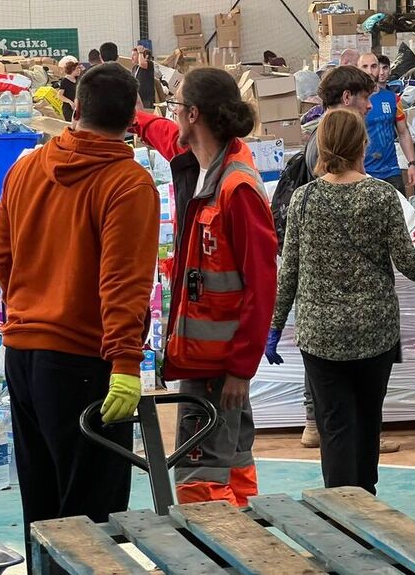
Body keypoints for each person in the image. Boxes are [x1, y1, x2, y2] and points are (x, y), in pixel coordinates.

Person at [0, 64, 159, 557]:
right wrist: (127, 364)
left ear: (76, 109)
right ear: (133, 119)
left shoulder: (27, 167)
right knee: (92, 520)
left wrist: (29, 305)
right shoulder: (128, 184)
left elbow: (2, 254)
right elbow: (124, 283)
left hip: (23, 357)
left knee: (43, 508)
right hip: (86, 363)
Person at [267, 109, 415, 494]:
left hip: (321, 335)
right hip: (376, 332)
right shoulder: (382, 195)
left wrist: (275, 326)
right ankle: (367, 500)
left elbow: (290, 271)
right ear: (362, 144)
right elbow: (406, 262)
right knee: (368, 421)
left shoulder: (304, 199)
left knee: (334, 425)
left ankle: (338, 507)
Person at [133, 67, 277, 506]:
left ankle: (210, 556)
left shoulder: (237, 188)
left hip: (219, 366)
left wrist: (240, 368)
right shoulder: (196, 164)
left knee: (200, 475)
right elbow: (160, 132)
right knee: (232, 459)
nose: (171, 116)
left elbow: (262, 285)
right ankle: (246, 538)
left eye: (176, 106)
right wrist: (132, 116)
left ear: (193, 114)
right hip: (207, 360)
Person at [269, 65, 399, 454]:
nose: (371, 105)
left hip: (324, 312)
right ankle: (317, 423)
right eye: (366, 97)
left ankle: (337, 434)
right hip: (344, 307)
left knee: (340, 406)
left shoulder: (321, 165)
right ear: (347, 99)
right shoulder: (332, 161)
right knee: (341, 409)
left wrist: (276, 323)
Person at [359, 52, 415, 195]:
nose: (369, 71)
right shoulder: (353, 101)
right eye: (364, 66)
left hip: (391, 171)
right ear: (357, 69)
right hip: (364, 172)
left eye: (373, 66)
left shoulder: (393, 99)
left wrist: (412, 163)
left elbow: (403, 132)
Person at [56, 55, 83, 121]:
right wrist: (70, 102)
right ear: (72, 70)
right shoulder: (64, 81)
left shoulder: (78, 79)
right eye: (77, 69)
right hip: (68, 108)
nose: (79, 70)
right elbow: (59, 95)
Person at [132, 45, 156, 110]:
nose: (132, 57)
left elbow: (142, 63)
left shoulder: (149, 64)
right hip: (138, 98)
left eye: (134, 55)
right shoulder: (135, 68)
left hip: (146, 99)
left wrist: (140, 52)